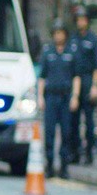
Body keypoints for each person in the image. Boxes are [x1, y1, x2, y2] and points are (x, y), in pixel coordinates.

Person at [38, 19, 81, 179]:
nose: (58, 36)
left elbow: (76, 76)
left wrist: (75, 96)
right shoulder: (48, 52)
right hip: (51, 96)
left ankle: (64, 167)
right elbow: (42, 77)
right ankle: (49, 164)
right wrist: (40, 97)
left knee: (66, 132)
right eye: (56, 33)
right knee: (49, 132)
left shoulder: (72, 52)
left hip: (65, 96)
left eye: (61, 33)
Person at [68, 6, 97, 165]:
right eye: (78, 19)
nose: (80, 22)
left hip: (87, 81)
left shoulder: (93, 39)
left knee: (89, 121)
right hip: (75, 81)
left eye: (83, 19)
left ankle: (89, 153)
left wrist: (95, 86)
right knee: (73, 120)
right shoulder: (73, 39)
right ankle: (75, 152)